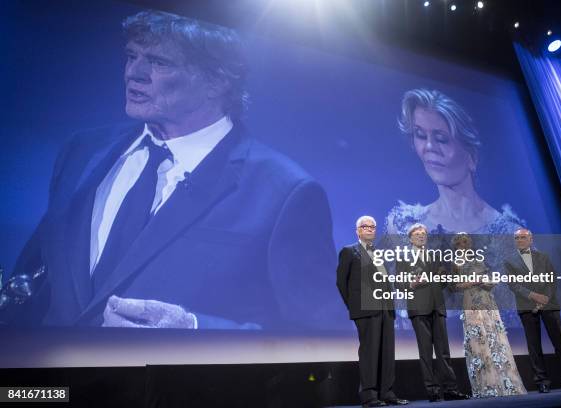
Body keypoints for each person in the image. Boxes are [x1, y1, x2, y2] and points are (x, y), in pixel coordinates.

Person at [10, 10, 342, 330]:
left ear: (216, 82)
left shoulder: (285, 192)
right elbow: (29, 283)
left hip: (172, 387)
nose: (134, 73)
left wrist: (195, 328)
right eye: (131, 56)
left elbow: (319, 334)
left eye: (158, 62)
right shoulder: (82, 152)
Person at [385, 88, 525, 327]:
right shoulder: (401, 225)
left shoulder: (510, 234)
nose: (429, 147)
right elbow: (394, 315)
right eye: (420, 135)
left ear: (472, 156)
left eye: (441, 139)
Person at [336, 216, 409, 407]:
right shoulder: (349, 251)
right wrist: (355, 306)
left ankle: (387, 393)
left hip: (385, 308)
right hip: (366, 310)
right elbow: (341, 283)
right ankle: (369, 396)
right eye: (365, 226)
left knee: (387, 351)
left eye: (372, 227)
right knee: (369, 353)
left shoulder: (379, 253)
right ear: (358, 230)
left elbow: (384, 282)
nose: (369, 229)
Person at [396, 224, 469, 402]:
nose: (421, 236)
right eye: (417, 234)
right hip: (419, 308)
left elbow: (443, 284)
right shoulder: (403, 257)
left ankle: (451, 390)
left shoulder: (435, 255)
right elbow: (399, 284)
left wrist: (445, 276)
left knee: (443, 351)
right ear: (410, 238)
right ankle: (433, 391)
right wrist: (411, 284)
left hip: (437, 306)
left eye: (424, 234)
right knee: (426, 352)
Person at [504, 228, 561, 392]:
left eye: (522, 237)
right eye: (516, 238)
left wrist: (544, 298)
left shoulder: (544, 257)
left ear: (531, 239)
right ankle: (542, 381)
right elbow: (513, 285)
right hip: (527, 306)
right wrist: (533, 296)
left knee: (560, 342)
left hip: (549, 304)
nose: (519, 240)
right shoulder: (509, 260)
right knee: (534, 346)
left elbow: (552, 279)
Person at [451, 232, 526, 398]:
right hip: (471, 301)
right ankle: (487, 385)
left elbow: (486, 278)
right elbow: (455, 286)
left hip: (487, 300)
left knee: (495, 338)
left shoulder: (478, 259)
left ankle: (506, 382)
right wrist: (474, 281)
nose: (465, 244)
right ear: (456, 245)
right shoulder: (456, 263)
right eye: (461, 242)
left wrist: (488, 282)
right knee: (479, 340)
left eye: (467, 241)